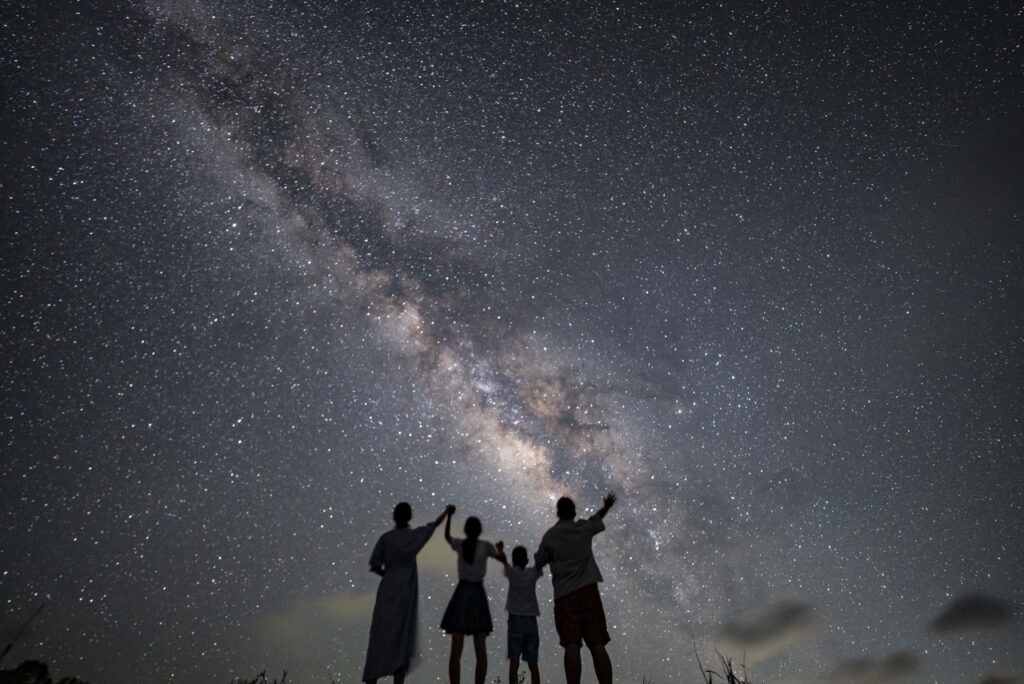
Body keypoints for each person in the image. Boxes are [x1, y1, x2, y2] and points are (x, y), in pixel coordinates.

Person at [362, 502, 454, 684]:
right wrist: (446, 512)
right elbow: (433, 526)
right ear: (409, 517)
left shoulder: (386, 538)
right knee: (401, 637)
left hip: (388, 588)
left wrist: (388, 574)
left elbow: (374, 565)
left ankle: (372, 677)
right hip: (405, 591)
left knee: (380, 635)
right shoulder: (414, 536)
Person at [535, 492, 617, 684]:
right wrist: (605, 507)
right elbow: (596, 519)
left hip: (564, 595)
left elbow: (539, 561)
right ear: (573, 512)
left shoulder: (550, 536)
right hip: (588, 591)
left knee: (571, 645)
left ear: (558, 513)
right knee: (597, 644)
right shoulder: (583, 529)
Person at [440, 507, 506, 684]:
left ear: (466, 530)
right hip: (477, 593)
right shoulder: (485, 546)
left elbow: (446, 537)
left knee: (456, 648)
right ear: (479, 531)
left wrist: (449, 517)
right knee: (480, 648)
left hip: (462, 593)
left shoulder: (461, 544)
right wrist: (500, 550)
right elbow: (503, 560)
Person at [495, 542, 544, 684]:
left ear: (514, 560)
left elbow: (504, 561)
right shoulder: (531, 573)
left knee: (514, 661)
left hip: (515, 619)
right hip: (531, 620)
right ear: (527, 560)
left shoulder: (512, 573)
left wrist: (500, 550)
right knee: (533, 663)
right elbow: (540, 565)